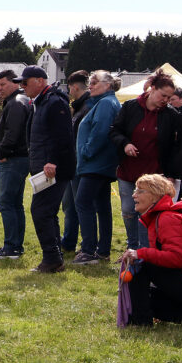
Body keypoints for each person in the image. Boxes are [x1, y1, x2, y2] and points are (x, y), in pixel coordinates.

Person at [122, 174, 182, 326]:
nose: (134, 195)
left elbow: (176, 258)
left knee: (141, 267)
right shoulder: (159, 216)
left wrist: (139, 253)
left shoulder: (167, 218)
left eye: (140, 191)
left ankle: (141, 322)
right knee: (144, 295)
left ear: (154, 196)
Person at [108, 68, 182, 250]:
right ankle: (132, 246)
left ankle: (146, 248)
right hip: (128, 170)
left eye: (169, 97)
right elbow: (114, 130)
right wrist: (125, 144)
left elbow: (175, 146)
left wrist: (170, 174)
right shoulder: (131, 107)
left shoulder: (171, 115)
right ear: (152, 89)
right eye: (163, 96)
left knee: (148, 212)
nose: (165, 101)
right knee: (128, 210)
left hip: (154, 174)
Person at [19, 65, 75, 273]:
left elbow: (63, 137)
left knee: (41, 211)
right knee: (47, 212)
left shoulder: (54, 102)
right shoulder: (41, 102)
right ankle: (54, 257)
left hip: (53, 169)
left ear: (40, 81)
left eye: (25, 82)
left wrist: (52, 161)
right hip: (44, 168)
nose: (22, 87)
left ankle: (52, 258)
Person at [71, 71, 122, 265]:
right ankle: (102, 250)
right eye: (89, 82)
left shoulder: (107, 104)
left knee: (83, 202)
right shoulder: (103, 103)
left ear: (107, 85)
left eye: (94, 82)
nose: (90, 86)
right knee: (102, 206)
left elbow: (100, 131)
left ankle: (89, 250)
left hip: (96, 164)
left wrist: (85, 152)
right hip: (99, 163)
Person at [0, 69, 32, 258]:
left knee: (6, 201)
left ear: (15, 82)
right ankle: (15, 246)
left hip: (13, 159)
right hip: (20, 158)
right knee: (15, 203)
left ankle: (11, 247)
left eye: (3, 84)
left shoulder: (15, 103)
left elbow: (12, 133)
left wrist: (3, 153)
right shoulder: (21, 100)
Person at [61, 70, 91, 254]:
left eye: (69, 87)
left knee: (79, 205)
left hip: (79, 163)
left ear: (75, 86)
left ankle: (85, 243)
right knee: (69, 204)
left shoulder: (86, 107)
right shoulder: (78, 107)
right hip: (72, 162)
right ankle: (68, 241)